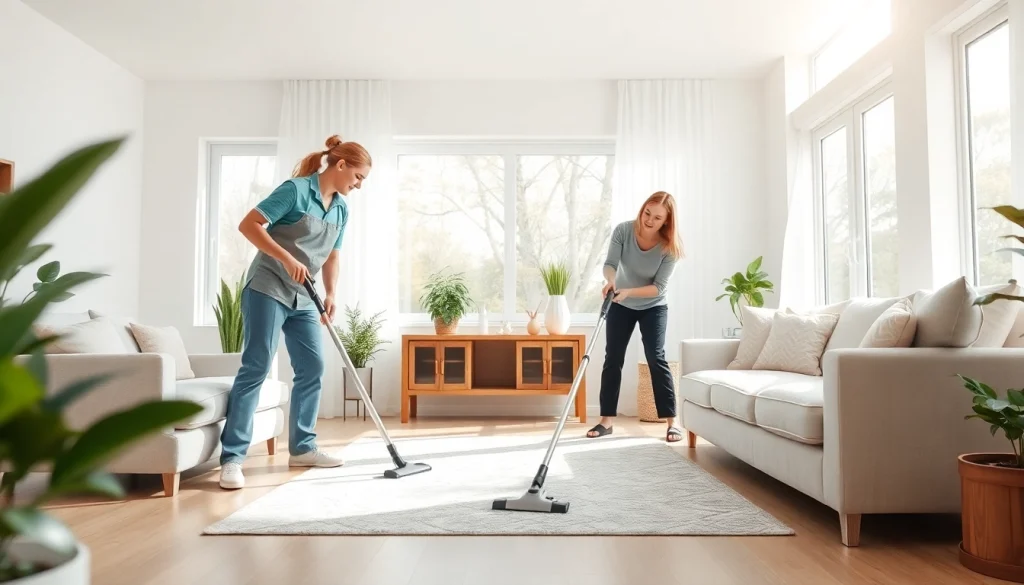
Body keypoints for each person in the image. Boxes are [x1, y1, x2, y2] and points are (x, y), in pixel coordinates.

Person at [218, 134, 371, 490]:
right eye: (358, 177)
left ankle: (303, 447)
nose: (359, 185)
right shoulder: (296, 190)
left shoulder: (341, 208)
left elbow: (332, 254)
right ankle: (232, 459)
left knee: (313, 366)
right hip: (268, 287)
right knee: (257, 365)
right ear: (341, 164)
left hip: (305, 296)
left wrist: (332, 293)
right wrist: (286, 258)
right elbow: (249, 225)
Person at [587, 191, 683, 442]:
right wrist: (611, 282)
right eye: (647, 213)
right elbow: (610, 264)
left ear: (666, 222)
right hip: (620, 301)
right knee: (613, 358)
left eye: (657, 217)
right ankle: (606, 421)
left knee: (656, 357)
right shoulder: (623, 231)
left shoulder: (670, 248)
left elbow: (659, 287)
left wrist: (629, 291)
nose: (649, 220)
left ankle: (673, 422)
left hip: (653, 305)